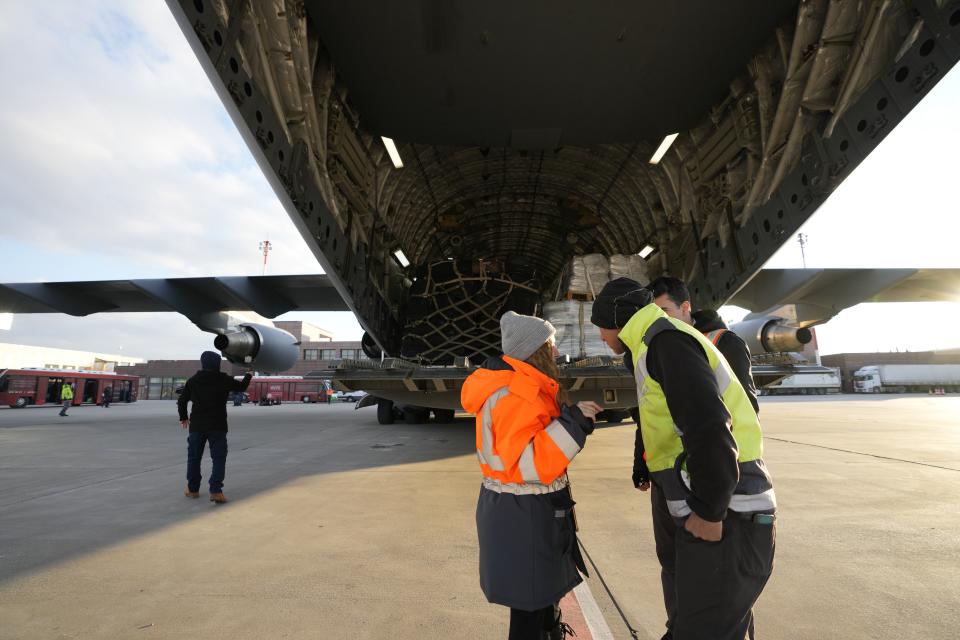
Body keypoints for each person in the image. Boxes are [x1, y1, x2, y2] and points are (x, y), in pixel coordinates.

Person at [591, 278, 776, 640]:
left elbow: (708, 425)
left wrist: (710, 510)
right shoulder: (650, 345)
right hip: (704, 504)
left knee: (710, 625)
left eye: (600, 326)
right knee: (695, 620)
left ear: (617, 320)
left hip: (730, 512)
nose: (599, 336)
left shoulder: (667, 342)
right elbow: (660, 421)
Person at [461, 311, 602, 639]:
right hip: (524, 514)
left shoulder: (520, 387)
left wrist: (571, 420)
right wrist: (575, 425)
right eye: (549, 344)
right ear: (534, 349)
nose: (555, 351)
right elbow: (529, 464)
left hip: (521, 510)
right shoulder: (517, 392)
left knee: (537, 600)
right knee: (528, 609)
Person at [647, 276, 759, 413]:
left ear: (684, 308)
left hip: (717, 432)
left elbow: (745, 403)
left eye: (664, 312)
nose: (656, 320)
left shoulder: (726, 342)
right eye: (652, 314)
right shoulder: (655, 346)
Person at [177, 351, 252, 504]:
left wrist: (183, 417)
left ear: (202, 363)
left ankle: (193, 489)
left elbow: (182, 400)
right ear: (217, 363)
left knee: (194, 458)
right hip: (218, 425)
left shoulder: (193, 380)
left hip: (197, 425)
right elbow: (242, 387)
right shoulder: (223, 379)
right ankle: (216, 491)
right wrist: (249, 373)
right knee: (218, 458)